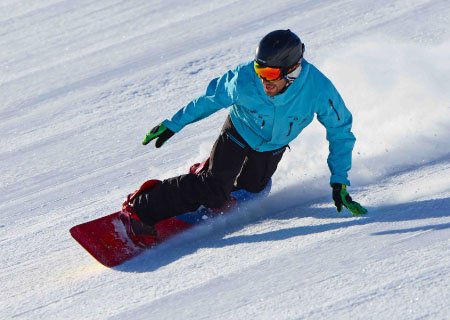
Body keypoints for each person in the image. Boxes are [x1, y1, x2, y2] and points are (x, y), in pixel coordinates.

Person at [121, 29, 367, 244]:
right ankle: (142, 208)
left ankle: (210, 175)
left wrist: (339, 179)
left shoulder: (319, 90)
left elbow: (341, 131)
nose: (262, 79)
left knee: (253, 192)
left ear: (292, 71)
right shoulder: (244, 79)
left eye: (270, 74)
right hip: (238, 133)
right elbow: (210, 100)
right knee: (215, 190)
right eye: (259, 69)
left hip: (272, 147)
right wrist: (173, 124)